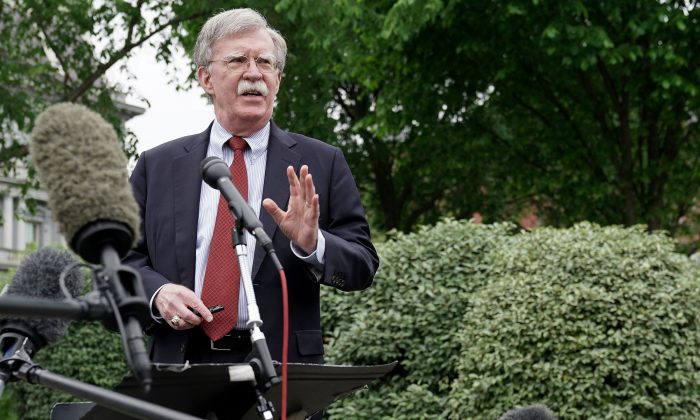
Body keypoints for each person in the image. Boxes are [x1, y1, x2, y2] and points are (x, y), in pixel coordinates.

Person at [124, 8, 378, 365]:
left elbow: (362, 265)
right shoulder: (158, 166)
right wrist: (158, 294)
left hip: (284, 368)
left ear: (278, 78)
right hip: (179, 364)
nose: (254, 73)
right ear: (206, 78)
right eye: (238, 60)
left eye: (265, 63)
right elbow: (120, 263)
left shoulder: (322, 162)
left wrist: (313, 245)